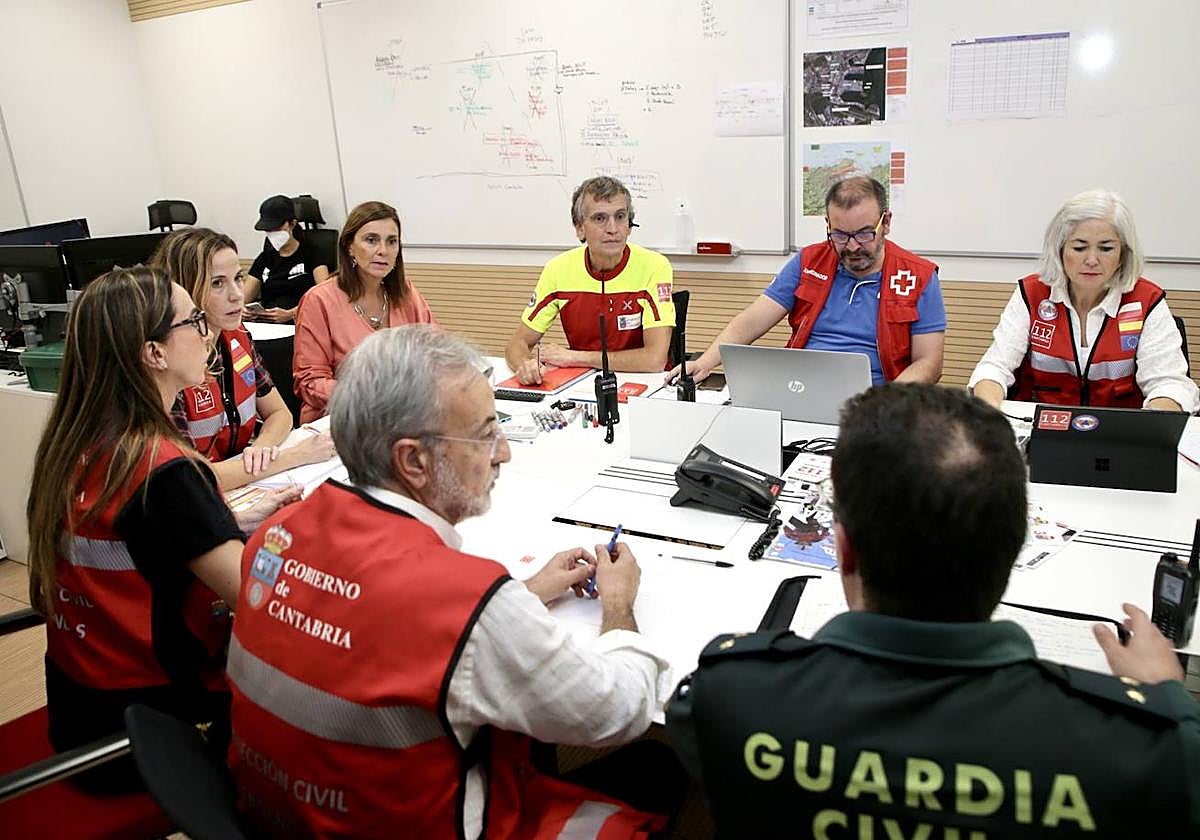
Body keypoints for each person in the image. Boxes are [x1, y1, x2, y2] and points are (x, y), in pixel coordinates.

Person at [666, 384, 1200, 837]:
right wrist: (1166, 696)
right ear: (1015, 546)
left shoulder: (729, 693)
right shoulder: (1152, 749)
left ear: (842, 548)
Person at [228, 325, 681, 838]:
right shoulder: (467, 600)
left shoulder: (276, 535)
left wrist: (525, 594)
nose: (504, 452)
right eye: (487, 433)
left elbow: (376, 630)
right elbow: (617, 711)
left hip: (280, 815)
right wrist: (619, 608)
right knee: (656, 766)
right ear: (413, 460)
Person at [23, 266, 285, 780]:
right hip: (151, 737)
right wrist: (294, 539)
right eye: (193, 320)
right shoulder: (163, 470)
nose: (206, 331)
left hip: (82, 710)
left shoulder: (79, 441)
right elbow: (259, 599)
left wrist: (224, 520)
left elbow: (143, 541)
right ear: (155, 353)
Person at [673, 175, 945, 387]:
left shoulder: (918, 276)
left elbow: (929, 363)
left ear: (885, 222)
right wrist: (707, 361)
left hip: (877, 400)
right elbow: (751, 321)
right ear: (828, 224)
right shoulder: (809, 261)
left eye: (863, 234)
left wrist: (888, 403)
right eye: (839, 235)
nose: (851, 247)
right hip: (800, 388)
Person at [970, 189, 1197, 412]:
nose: (1091, 260)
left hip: (1117, 436)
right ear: (1059, 250)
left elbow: (1170, 385)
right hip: (1042, 432)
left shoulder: (1146, 301)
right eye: (1079, 247)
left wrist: (1148, 427)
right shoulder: (1031, 294)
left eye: (1106, 248)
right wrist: (990, 413)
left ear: (1123, 255)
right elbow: (995, 368)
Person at [152, 228, 336, 490]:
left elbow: (280, 413)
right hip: (198, 496)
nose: (237, 294)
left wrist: (262, 449)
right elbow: (191, 479)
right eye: (217, 283)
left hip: (241, 478)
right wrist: (292, 456)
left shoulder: (237, 337)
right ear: (182, 290)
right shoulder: (169, 363)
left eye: (238, 278)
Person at [505, 176, 675, 384]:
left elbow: (654, 360)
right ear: (579, 228)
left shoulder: (654, 266)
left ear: (629, 225)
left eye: (620, 216)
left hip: (644, 385)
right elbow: (517, 343)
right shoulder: (558, 269)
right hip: (581, 384)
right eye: (600, 218)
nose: (613, 228)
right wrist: (525, 365)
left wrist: (574, 357)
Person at [293, 200, 438, 422]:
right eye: (371, 240)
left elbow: (436, 351)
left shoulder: (405, 293)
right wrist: (370, 399)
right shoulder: (319, 300)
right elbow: (309, 381)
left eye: (392, 242)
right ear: (349, 246)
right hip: (341, 420)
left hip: (403, 415)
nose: (383, 251)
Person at [243, 194, 331, 324]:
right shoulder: (265, 258)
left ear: (292, 224)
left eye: (277, 228)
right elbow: (244, 297)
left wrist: (292, 314)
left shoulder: (313, 253)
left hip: (302, 322)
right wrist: (242, 309)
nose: (272, 233)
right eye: (268, 229)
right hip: (267, 326)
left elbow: (326, 296)